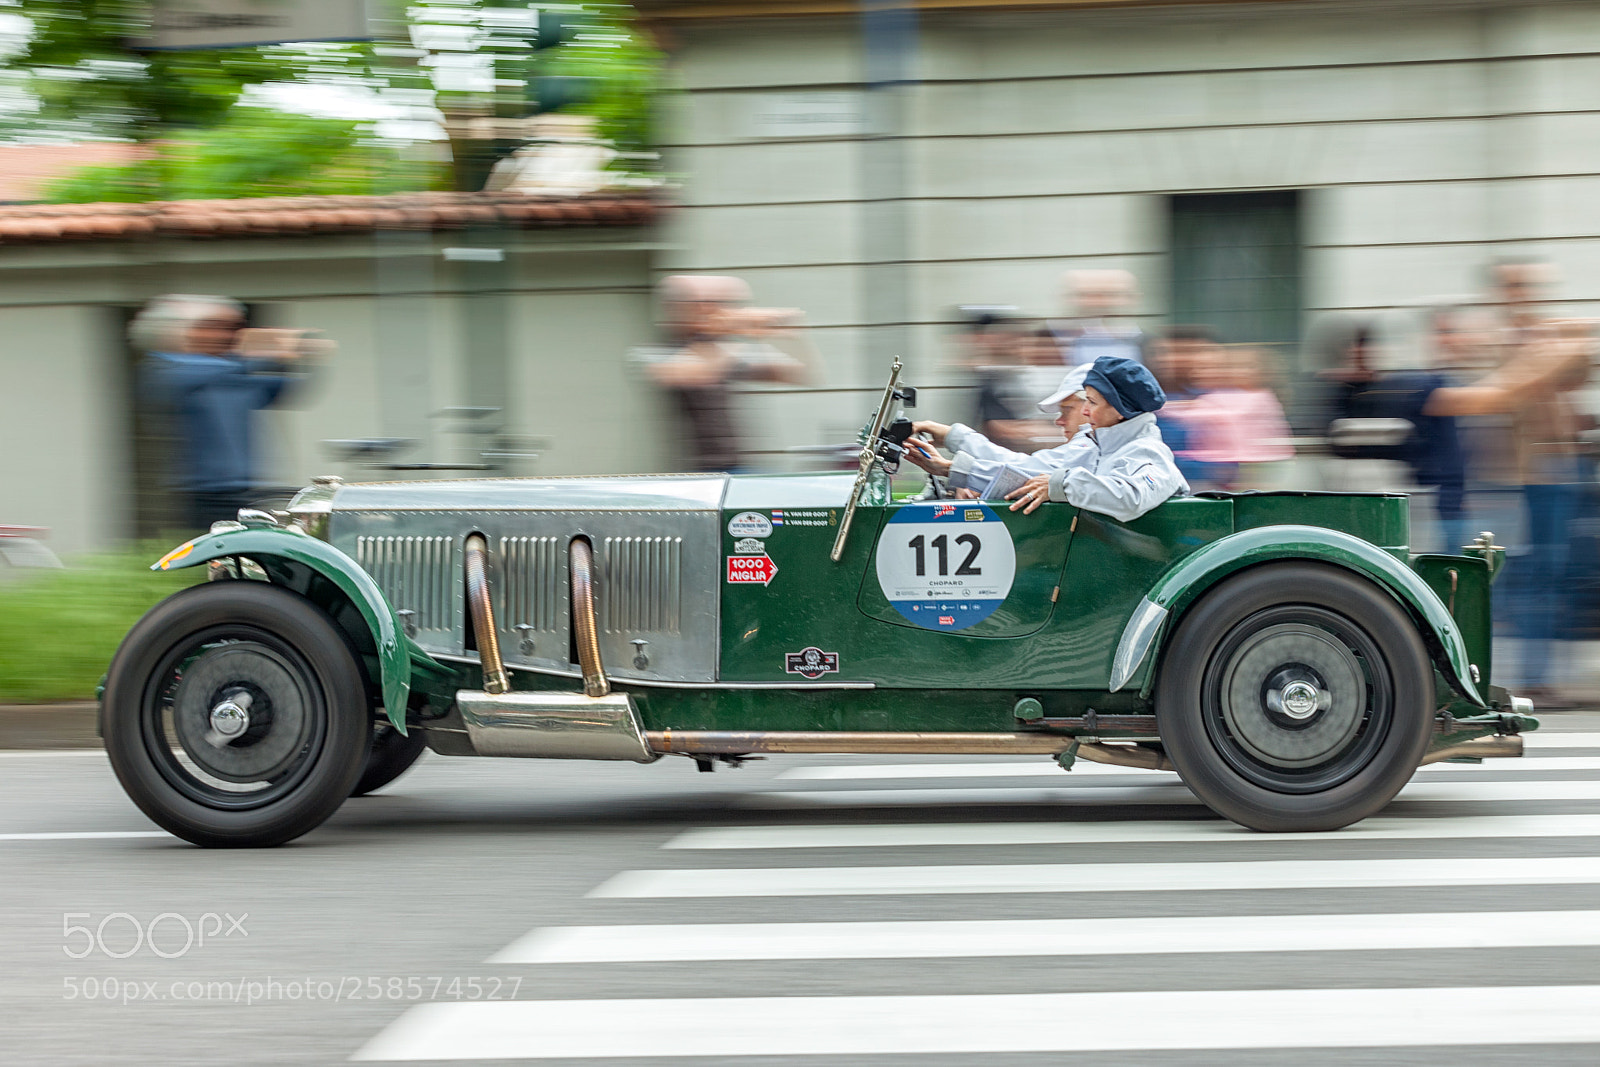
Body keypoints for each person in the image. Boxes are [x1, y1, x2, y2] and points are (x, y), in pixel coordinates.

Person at [906, 356, 1188, 523]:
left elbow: (1130, 497)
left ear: (1119, 409)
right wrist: (954, 455)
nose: (1085, 411)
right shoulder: (1099, 444)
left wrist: (1062, 484)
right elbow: (1030, 469)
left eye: (1091, 402)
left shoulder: (1149, 452)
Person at [134, 294, 327, 531]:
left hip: (248, 489)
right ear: (181, 333)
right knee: (217, 562)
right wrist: (267, 352)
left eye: (230, 329)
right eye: (212, 328)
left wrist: (305, 355)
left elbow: (291, 387)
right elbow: (211, 370)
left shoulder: (232, 371)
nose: (224, 336)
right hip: (204, 493)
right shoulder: (168, 368)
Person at [639, 275, 812, 472]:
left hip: (738, 467)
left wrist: (788, 333)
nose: (712, 310)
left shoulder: (722, 349)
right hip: (698, 473)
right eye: (703, 304)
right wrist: (735, 329)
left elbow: (794, 372)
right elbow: (696, 372)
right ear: (679, 308)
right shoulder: (659, 353)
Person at [1047, 269, 1148, 367]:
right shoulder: (1052, 337)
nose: (1098, 302)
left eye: (1110, 295)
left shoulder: (1140, 339)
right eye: (1086, 295)